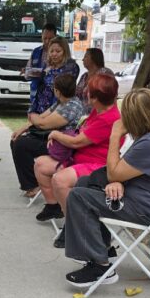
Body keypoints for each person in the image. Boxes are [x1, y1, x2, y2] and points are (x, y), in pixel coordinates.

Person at [64, 88, 150, 287]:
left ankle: (100, 267)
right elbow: (122, 169)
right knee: (85, 183)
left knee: (79, 197)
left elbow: (114, 171)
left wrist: (115, 135)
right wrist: (116, 180)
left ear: (135, 118)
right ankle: (103, 250)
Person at [34, 74, 121, 236]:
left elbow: (76, 142)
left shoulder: (108, 118)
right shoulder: (99, 110)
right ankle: (54, 206)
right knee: (40, 165)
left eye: (88, 92)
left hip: (98, 166)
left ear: (94, 98)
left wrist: (55, 134)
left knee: (59, 180)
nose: (85, 93)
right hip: (78, 158)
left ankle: (73, 227)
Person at [10, 36, 80, 197]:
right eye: (52, 51)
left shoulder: (70, 105)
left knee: (21, 145)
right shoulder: (60, 102)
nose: (54, 54)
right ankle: (31, 184)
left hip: (59, 143)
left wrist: (33, 117)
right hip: (46, 124)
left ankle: (34, 185)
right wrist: (24, 126)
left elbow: (42, 124)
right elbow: (41, 120)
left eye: (58, 51)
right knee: (18, 140)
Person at [75, 48, 114, 113]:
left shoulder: (105, 73)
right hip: (80, 114)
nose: (82, 59)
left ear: (94, 58)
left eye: (85, 57)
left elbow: (106, 97)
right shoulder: (84, 76)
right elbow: (76, 94)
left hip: (98, 114)